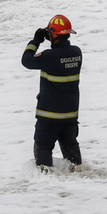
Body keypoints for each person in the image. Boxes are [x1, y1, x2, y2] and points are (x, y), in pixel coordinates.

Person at [21, 15, 83, 171]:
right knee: (72, 156)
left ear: (54, 34)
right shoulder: (77, 53)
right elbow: (61, 56)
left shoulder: (49, 56)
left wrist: (35, 41)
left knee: (42, 156)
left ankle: (47, 189)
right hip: (70, 115)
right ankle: (80, 179)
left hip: (49, 117)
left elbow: (26, 60)